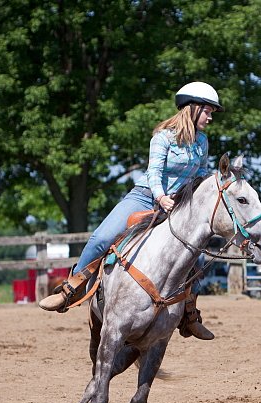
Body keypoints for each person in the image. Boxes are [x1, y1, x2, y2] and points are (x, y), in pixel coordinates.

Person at [39, 82, 224, 341]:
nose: (210, 117)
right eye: (208, 111)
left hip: (178, 206)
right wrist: (161, 197)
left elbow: (201, 174)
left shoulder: (202, 141)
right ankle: (71, 290)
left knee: (197, 260)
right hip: (146, 197)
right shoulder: (163, 136)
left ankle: (189, 315)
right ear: (192, 108)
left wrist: (214, 182)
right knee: (101, 238)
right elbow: (154, 172)